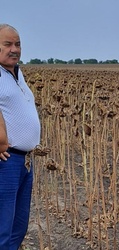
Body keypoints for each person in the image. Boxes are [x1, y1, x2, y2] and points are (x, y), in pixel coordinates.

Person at [0, 24, 41, 250]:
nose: (14, 49)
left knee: (19, 225)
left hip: (24, 161)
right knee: (2, 227)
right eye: (7, 44)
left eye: (17, 44)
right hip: (5, 161)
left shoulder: (17, 72)